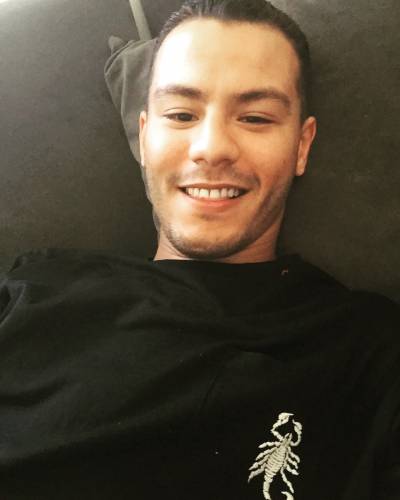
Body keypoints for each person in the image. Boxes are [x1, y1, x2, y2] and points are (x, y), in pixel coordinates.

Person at [0, 1, 398, 499]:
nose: (211, 148)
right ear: (146, 137)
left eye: (255, 117)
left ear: (301, 146)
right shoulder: (34, 290)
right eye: (181, 114)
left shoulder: (369, 354)